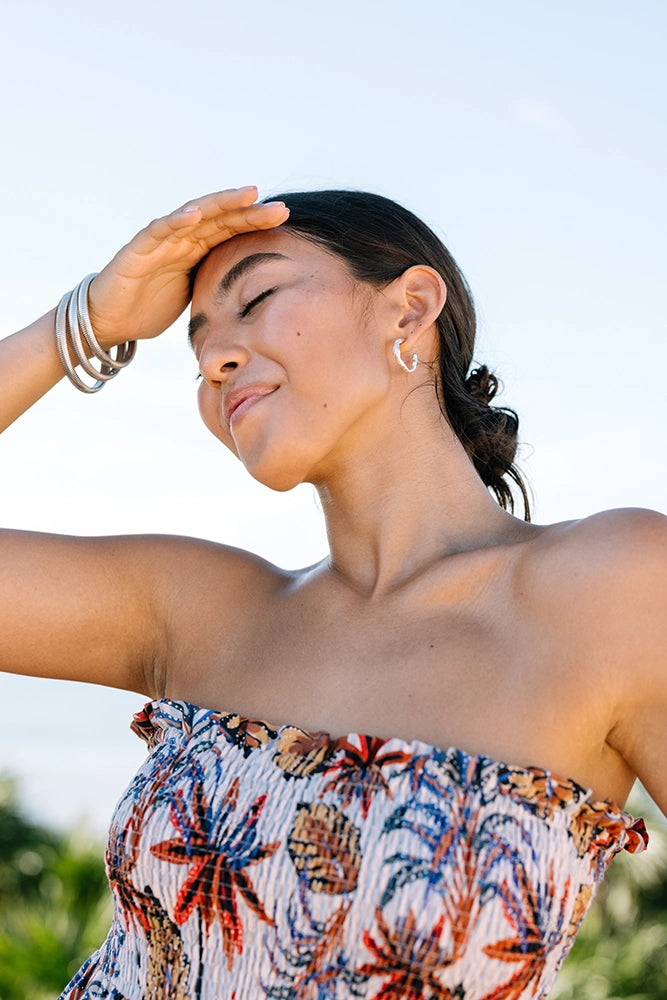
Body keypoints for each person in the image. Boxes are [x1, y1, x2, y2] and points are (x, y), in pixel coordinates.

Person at [1, 185, 664, 1000]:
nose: (214, 360)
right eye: (198, 346)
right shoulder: (198, 611)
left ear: (408, 308)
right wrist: (87, 323)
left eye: (257, 298)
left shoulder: (615, 588)